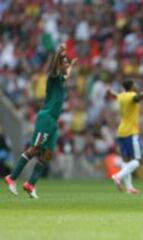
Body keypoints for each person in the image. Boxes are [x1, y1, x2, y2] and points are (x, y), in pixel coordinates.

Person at [4, 44, 77, 199]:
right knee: (34, 149)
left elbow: (67, 73)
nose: (67, 65)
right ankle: (12, 177)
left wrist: (71, 65)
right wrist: (58, 53)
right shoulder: (54, 75)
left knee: (48, 154)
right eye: (65, 63)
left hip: (53, 121)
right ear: (59, 64)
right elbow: (54, 67)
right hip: (46, 117)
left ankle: (30, 184)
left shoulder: (62, 78)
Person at [107, 80, 143, 193]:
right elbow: (137, 98)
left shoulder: (121, 96)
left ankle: (129, 188)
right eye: (134, 84)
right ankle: (117, 176)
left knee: (126, 161)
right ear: (132, 86)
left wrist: (111, 92)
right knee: (138, 161)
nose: (136, 86)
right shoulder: (131, 96)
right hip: (130, 133)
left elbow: (116, 95)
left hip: (121, 132)